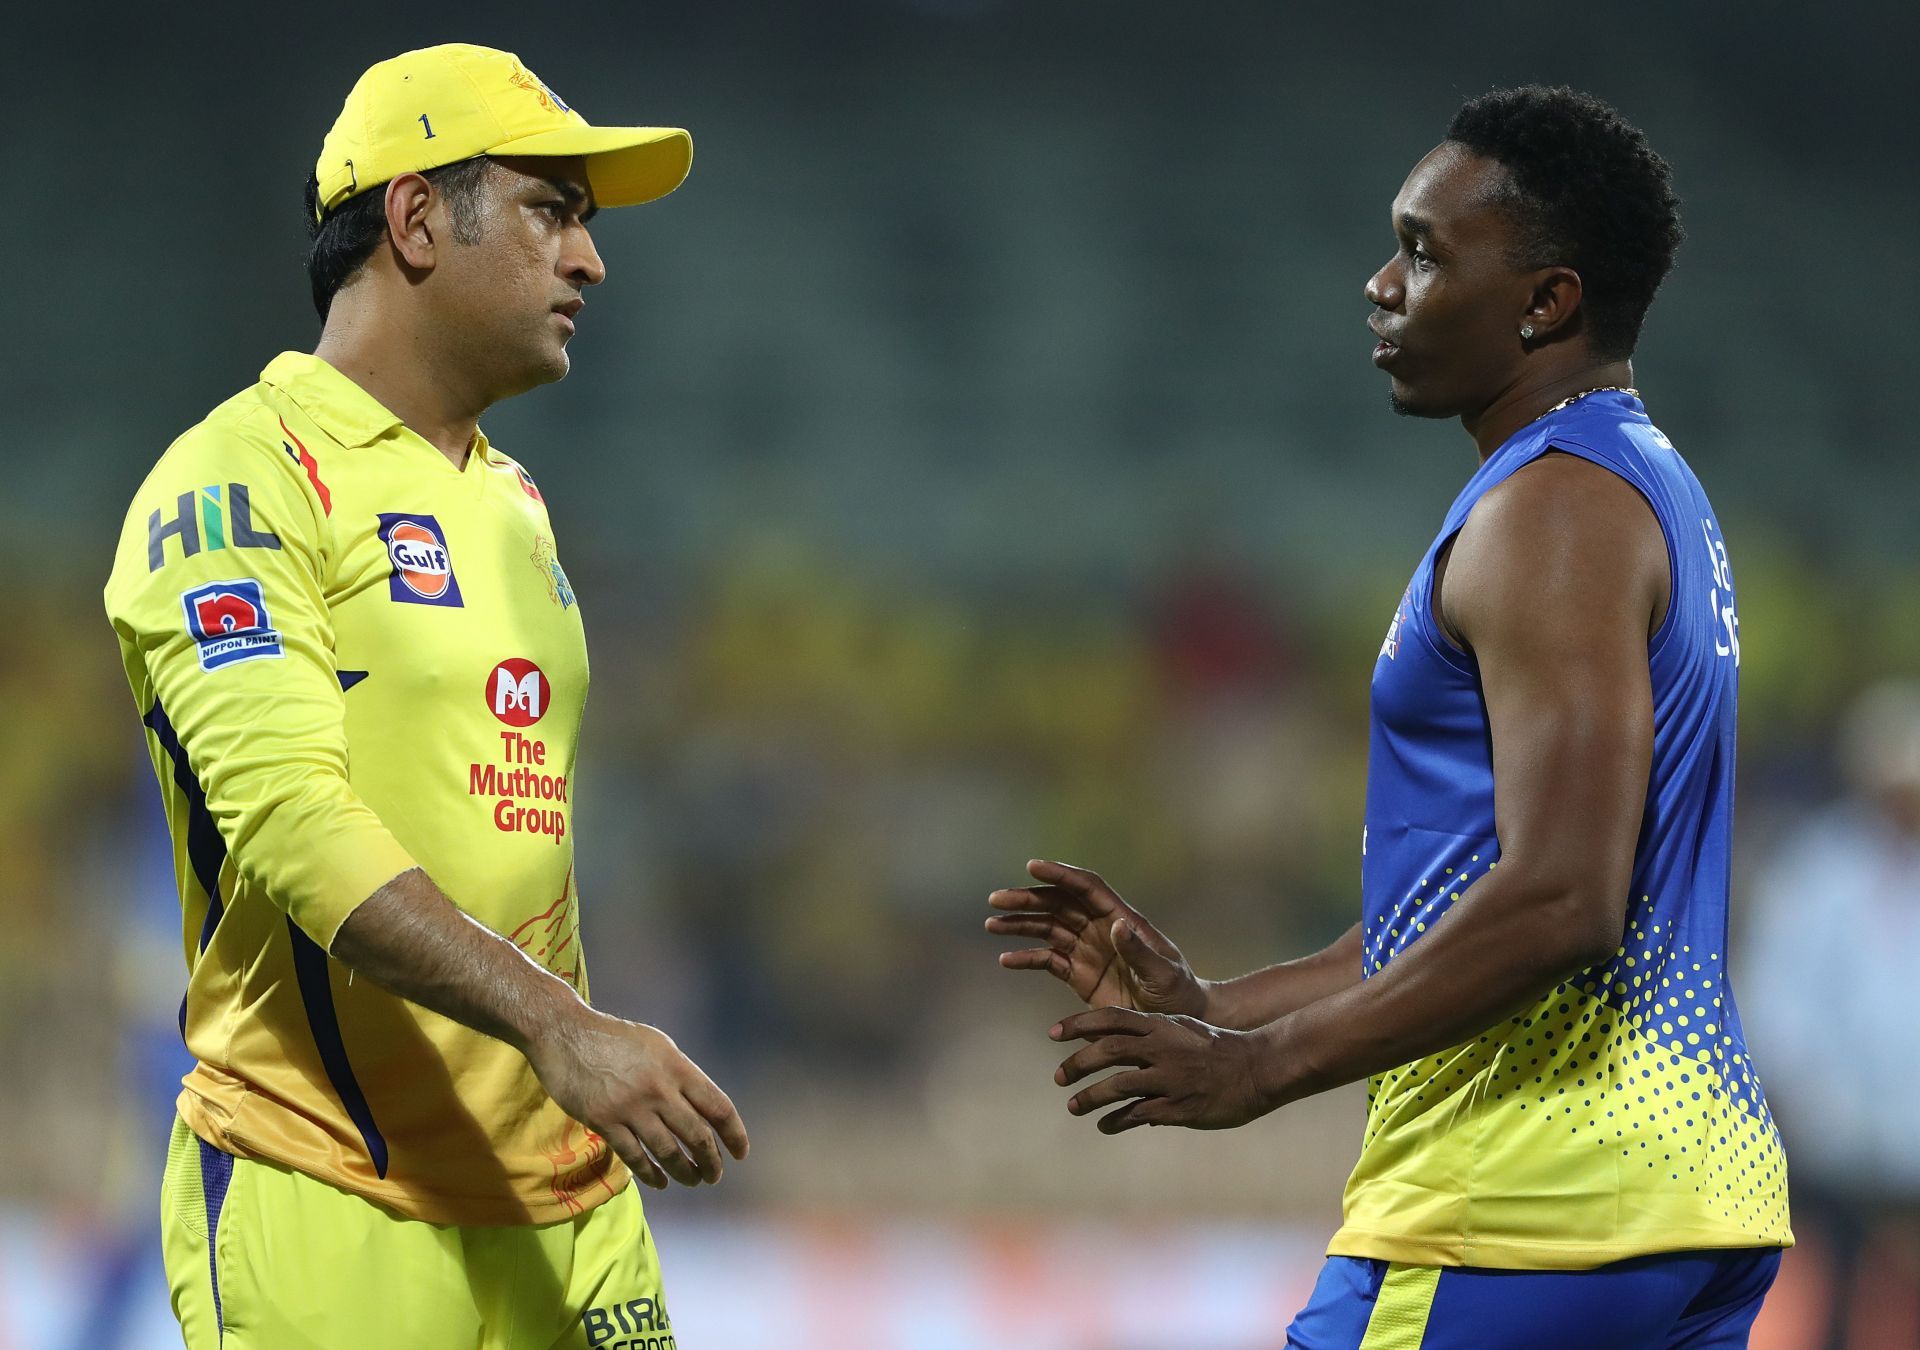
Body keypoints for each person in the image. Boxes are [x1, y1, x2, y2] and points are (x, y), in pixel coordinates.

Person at [989, 85, 1791, 1347]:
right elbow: (1465, 909)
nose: (1380, 283)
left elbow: (1560, 900)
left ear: (1547, 301)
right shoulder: (1639, 484)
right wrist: (1215, 1005)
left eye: (1423, 250)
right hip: (1668, 1208)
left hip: (1519, 1207)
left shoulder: (1556, 515)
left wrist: (1261, 1072)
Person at [103, 43, 746, 1348]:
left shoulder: (513, 508)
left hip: (568, 1206)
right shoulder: (237, 481)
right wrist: (561, 1025)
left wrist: (577, 1060)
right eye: (552, 211)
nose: (590, 261)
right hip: (334, 1193)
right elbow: (293, 823)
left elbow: (516, 843)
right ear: (412, 220)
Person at [1740, 679, 1920, 1348]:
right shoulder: (1817, 869)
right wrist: (1826, 1116)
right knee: (1839, 1310)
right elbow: (1776, 1005)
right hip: (1839, 1157)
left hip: (1908, 1145)